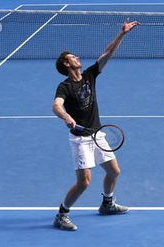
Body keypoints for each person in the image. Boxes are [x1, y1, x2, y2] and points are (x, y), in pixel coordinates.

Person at [52, 20, 140, 231]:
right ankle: (61, 214)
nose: (77, 57)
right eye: (72, 57)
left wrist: (122, 34)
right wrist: (66, 117)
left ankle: (107, 204)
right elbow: (56, 106)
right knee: (84, 182)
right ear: (66, 64)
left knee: (114, 172)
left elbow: (107, 53)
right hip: (80, 139)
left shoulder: (90, 75)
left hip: (97, 135)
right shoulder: (64, 87)